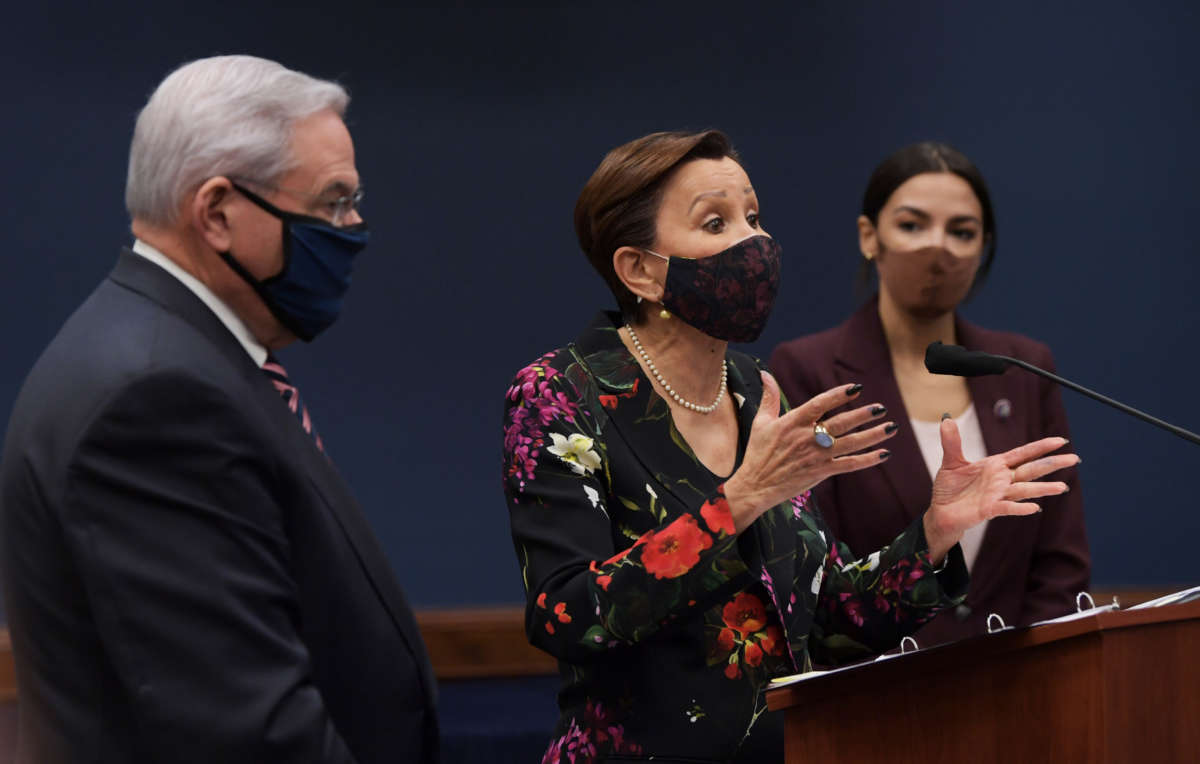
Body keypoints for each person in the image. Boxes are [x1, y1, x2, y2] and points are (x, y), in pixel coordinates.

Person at [501, 130, 1080, 763]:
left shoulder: (757, 392)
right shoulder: (561, 392)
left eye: (754, 217)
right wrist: (738, 502)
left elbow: (829, 620)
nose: (754, 243)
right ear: (640, 269)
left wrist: (935, 535)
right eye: (716, 222)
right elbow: (567, 614)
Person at [0, 56, 438, 763]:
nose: (354, 228)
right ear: (216, 213)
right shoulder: (153, 400)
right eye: (332, 202)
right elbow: (247, 731)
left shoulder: (168, 353)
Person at [769, 141, 1090, 647]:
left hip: (1019, 691)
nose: (937, 247)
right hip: (879, 692)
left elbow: (1060, 564)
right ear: (868, 236)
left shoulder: (1023, 369)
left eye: (961, 232)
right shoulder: (808, 370)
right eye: (913, 225)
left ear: (983, 246)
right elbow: (811, 567)